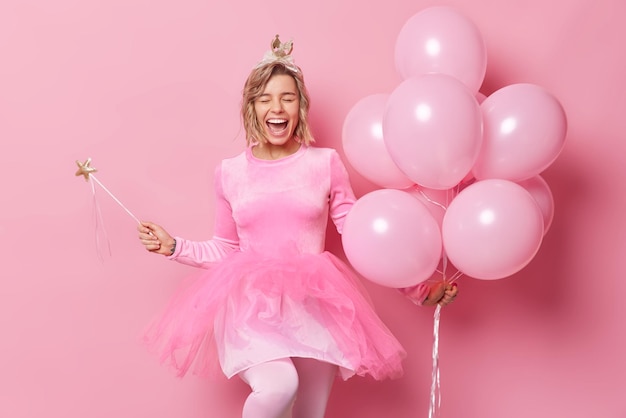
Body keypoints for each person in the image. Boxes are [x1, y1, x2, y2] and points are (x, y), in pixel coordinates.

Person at [137, 35, 458, 418]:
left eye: (287, 97)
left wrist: (419, 289)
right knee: (278, 386)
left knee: (309, 412)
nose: (277, 107)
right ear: (252, 107)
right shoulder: (230, 173)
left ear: (300, 105)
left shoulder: (324, 164)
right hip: (252, 307)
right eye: (265, 98)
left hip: (315, 305)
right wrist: (174, 246)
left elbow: (362, 239)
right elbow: (225, 248)